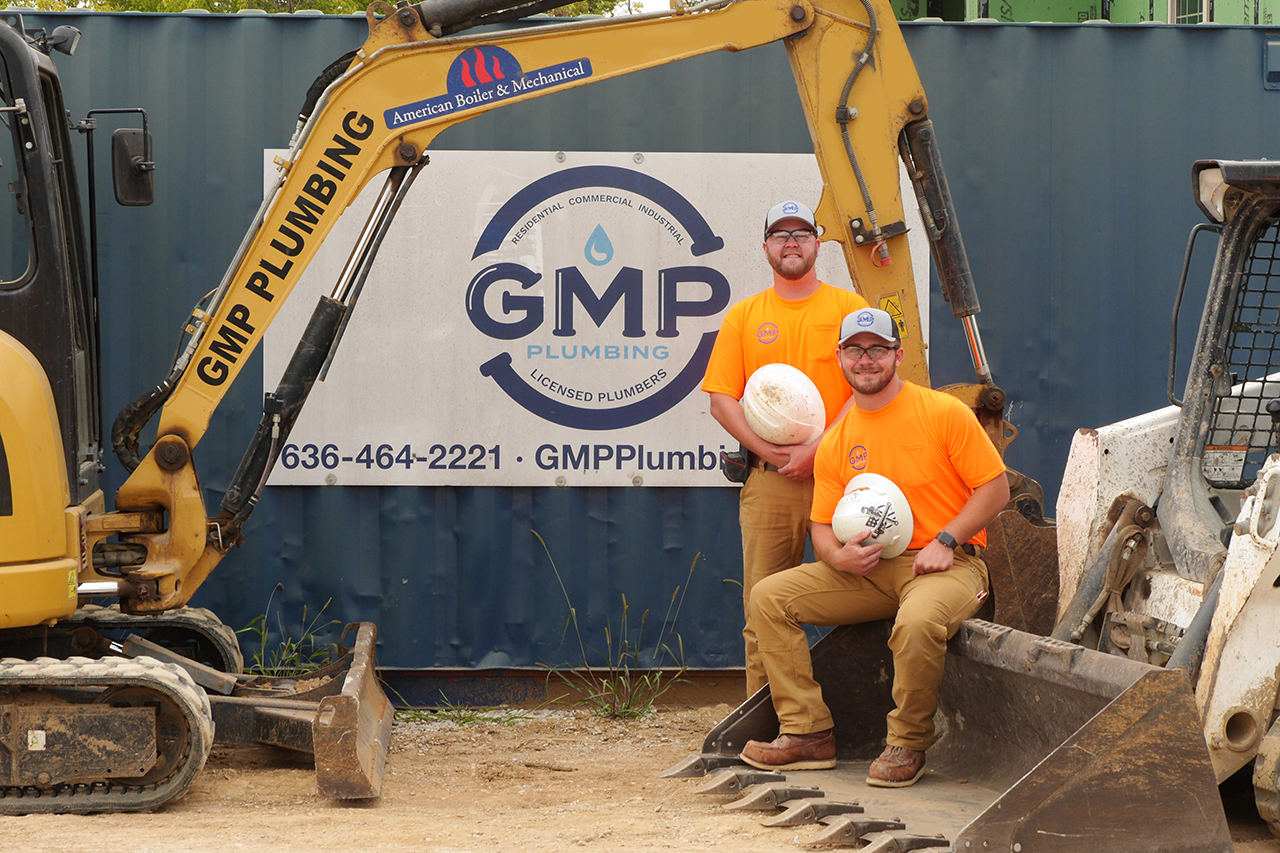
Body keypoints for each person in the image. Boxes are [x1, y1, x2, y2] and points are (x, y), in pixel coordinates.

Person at [739, 307, 1009, 787]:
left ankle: (907, 742)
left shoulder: (942, 413)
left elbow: (995, 490)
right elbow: (822, 526)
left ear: (897, 356)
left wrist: (948, 539)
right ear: (840, 357)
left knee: (918, 621)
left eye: (878, 349)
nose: (867, 360)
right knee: (768, 597)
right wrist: (836, 556)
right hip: (869, 571)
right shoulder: (838, 439)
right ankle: (807, 734)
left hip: (947, 567)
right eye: (856, 350)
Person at [701, 200, 868, 697]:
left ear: (818, 243)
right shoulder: (745, 316)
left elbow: (868, 388)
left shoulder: (848, 310)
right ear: (767, 246)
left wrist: (819, 449)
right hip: (769, 484)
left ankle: (856, 711)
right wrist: (774, 455)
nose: (791, 242)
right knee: (761, 609)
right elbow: (721, 400)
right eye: (780, 234)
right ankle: (766, 717)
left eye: (801, 233)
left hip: (842, 481)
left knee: (863, 597)